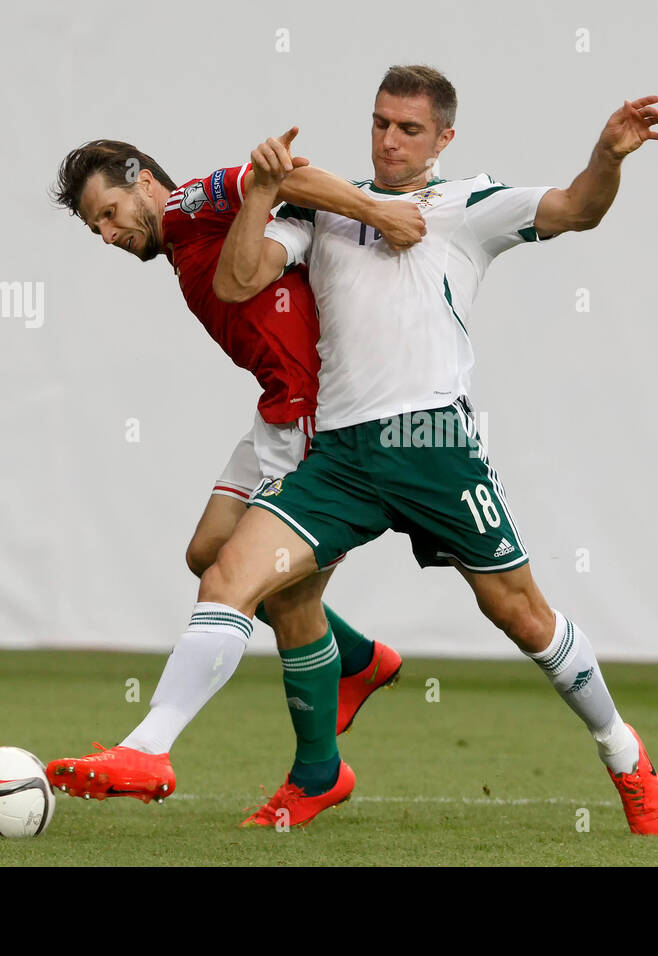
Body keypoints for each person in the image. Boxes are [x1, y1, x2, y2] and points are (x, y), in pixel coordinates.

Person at [204, 64, 658, 834]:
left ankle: (622, 753)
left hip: (432, 444)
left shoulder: (469, 205)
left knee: (518, 615)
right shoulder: (326, 209)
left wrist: (609, 156)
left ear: (444, 138)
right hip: (345, 454)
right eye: (381, 122)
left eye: (410, 128)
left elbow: (576, 209)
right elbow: (238, 279)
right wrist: (258, 193)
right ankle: (304, 770)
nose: (390, 139)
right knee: (233, 572)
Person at [44, 141, 424, 803]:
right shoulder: (185, 237)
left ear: (141, 180)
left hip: (316, 414)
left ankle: (186, 753)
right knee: (208, 554)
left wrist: (378, 211)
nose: (107, 235)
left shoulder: (192, 202)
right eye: (94, 228)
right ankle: (357, 661)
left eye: (108, 212)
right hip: (277, 412)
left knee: (262, 588)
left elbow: (286, 176)